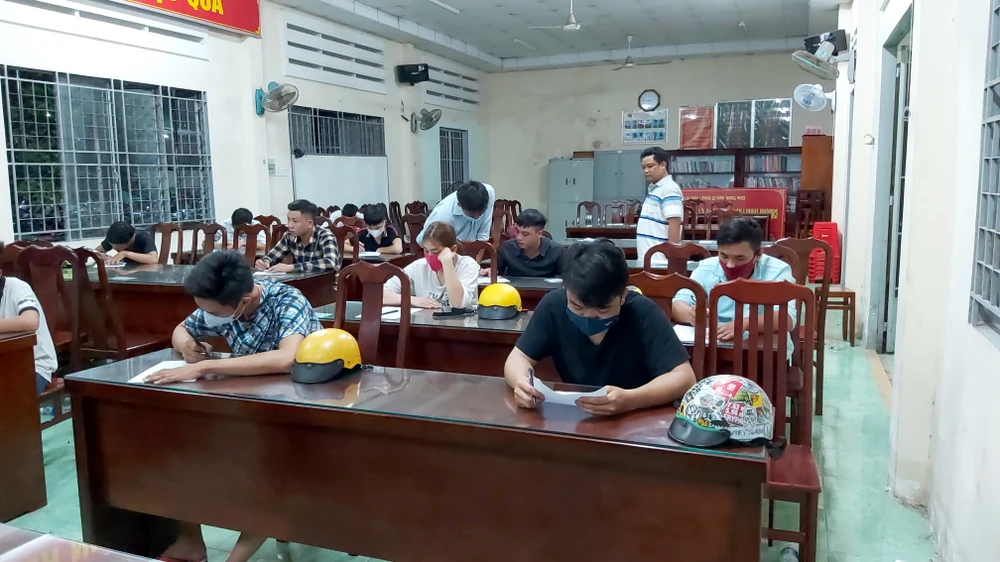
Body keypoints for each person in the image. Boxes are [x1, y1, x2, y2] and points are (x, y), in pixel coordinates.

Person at [145, 250, 322, 562]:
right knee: (180, 450)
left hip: (300, 410)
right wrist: (188, 347)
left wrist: (202, 367)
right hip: (248, 404)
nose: (207, 316)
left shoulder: (287, 300)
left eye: (213, 311)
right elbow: (181, 329)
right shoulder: (221, 303)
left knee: (265, 469)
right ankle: (191, 543)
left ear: (243, 300)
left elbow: (287, 358)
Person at [504, 239, 696, 416]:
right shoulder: (553, 305)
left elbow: (684, 378)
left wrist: (631, 400)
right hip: (577, 416)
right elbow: (518, 358)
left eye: (602, 309)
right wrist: (522, 383)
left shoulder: (642, 311)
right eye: (577, 307)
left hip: (635, 418)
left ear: (623, 295)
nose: (588, 317)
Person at [672, 217, 795, 342]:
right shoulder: (706, 268)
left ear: (758, 255)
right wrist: (690, 314)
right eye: (724, 256)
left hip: (762, 347)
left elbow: (788, 318)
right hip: (717, 347)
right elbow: (677, 303)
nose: (730, 265)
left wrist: (745, 323)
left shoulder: (778, 271)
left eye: (740, 258)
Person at [0, 243, 57, 395]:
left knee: (9, 396)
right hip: (3, 364)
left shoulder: (17, 287)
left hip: (34, 366)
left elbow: (30, 321)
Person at [383, 221, 478, 310]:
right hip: (427, 321)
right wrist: (412, 300)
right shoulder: (419, 266)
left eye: (435, 252)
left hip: (463, 321)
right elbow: (381, 294)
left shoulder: (468, 265)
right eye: (426, 251)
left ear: (453, 249)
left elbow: (458, 303)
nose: (430, 256)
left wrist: (447, 263)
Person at [255, 199, 340, 273]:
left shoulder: (325, 235)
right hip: (301, 281)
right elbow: (272, 256)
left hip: (325, 283)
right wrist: (264, 262)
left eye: (295, 221)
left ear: (309, 223)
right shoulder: (289, 236)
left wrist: (293, 267)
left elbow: (331, 263)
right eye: (288, 220)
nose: (289, 225)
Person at [635, 146, 684, 264]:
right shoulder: (655, 188)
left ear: (663, 165)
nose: (646, 171)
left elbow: (675, 224)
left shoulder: (669, 189)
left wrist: (671, 258)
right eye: (643, 167)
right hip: (648, 258)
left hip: (659, 261)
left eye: (650, 166)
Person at [415, 180, 495, 245]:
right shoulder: (441, 216)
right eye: (472, 216)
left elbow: (482, 236)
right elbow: (422, 241)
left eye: (481, 213)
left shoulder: (488, 193)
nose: (478, 217)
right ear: (459, 205)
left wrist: (475, 260)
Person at [494, 209, 563, 278]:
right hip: (514, 285)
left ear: (539, 234)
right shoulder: (507, 248)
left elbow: (564, 277)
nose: (519, 237)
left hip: (546, 285)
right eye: (517, 231)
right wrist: (491, 271)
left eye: (525, 234)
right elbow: (496, 270)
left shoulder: (557, 251)